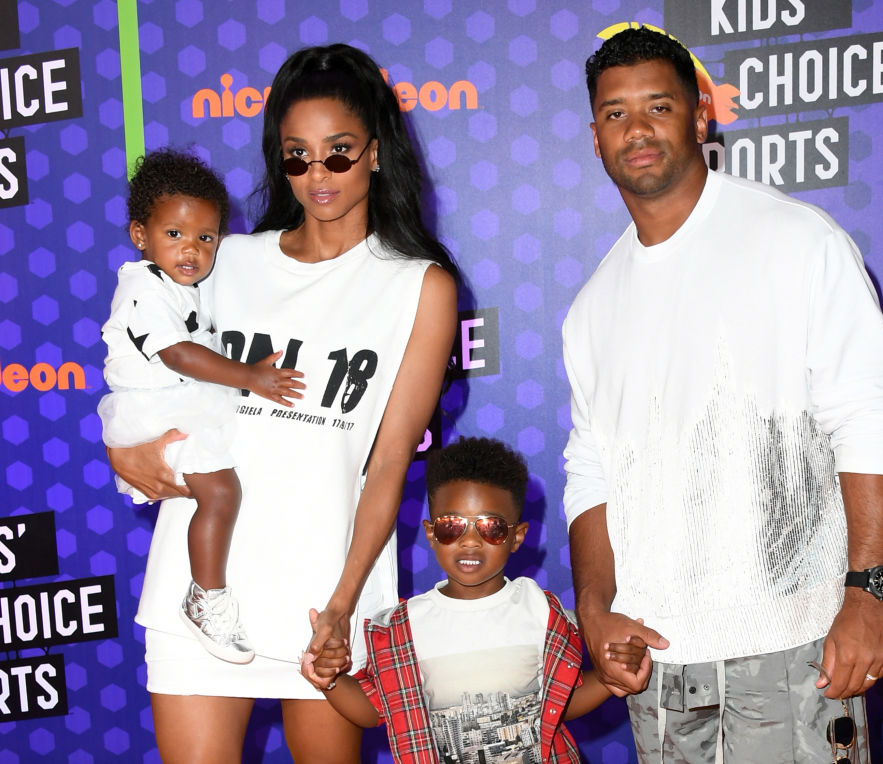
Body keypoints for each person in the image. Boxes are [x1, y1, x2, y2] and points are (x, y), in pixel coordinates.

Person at [561, 27, 883, 763]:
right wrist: (595, 608)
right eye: (616, 113)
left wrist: (870, 592)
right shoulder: (592, 306)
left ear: (700, 117)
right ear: (595, 138)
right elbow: (591, 469)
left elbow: (865, 415)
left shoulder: (796, 240)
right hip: (658, 668)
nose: (637, 129)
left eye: (658, 106)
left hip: (795, 647)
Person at [107, 44, 458, 763]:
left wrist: (344, 604)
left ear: (376, 153)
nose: (317, 175)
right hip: (203, 596)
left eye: (338, 153)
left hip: (323, 603)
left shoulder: (419, 287)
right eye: (297, 157)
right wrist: (122, 445)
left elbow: (390, 462)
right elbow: (144, 354)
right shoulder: (226, 260)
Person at [316, 437, 650, 763]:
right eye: (451, 526)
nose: (470, 541)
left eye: (491, 527)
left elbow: (559, 703)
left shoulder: (540, 610)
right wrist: (329, 679)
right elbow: (374, 710)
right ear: (431, 533)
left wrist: (610, 678)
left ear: (517, 537)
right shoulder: (404, 627)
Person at [99, 148, 305, 665]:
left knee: (228, 489)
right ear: (140, 234)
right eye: (174, 234)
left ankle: (212, 592)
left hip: (182, 404)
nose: (191, 249)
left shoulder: (184, 285)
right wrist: (250, 377)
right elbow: (177, 354)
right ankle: (205, 598)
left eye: (206, 238)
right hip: (156, 411)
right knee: (220, 492)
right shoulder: (142, 288)